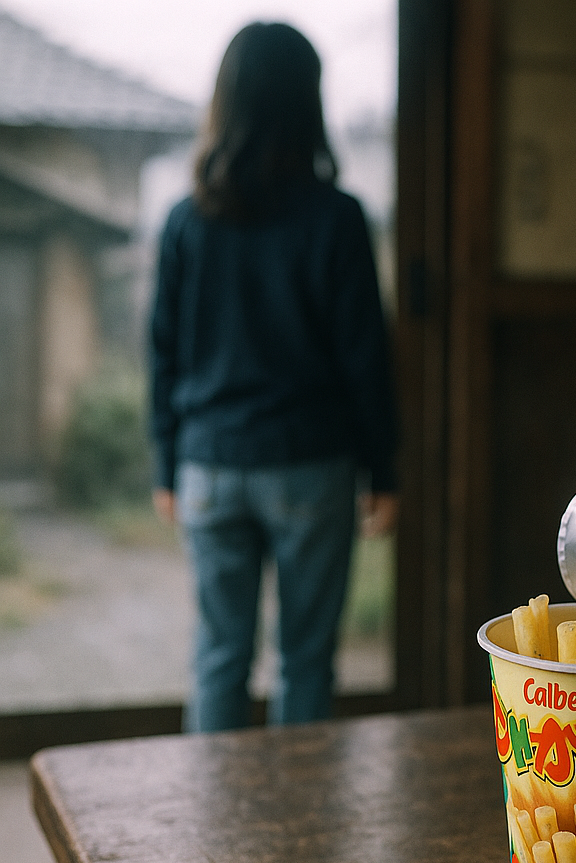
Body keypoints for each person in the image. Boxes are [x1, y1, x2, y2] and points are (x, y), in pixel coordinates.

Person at [149, 21, 399, 732]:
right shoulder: (338, 218)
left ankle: (218, 825)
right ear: (307, 101)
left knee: (220, 656)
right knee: (306, 661)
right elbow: (364, 357)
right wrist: (384, 470)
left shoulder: (185, 222)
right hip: (310, 467)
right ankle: (299, 827)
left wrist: (167, 464)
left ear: (224, 101)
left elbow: (162, 353)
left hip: (209, 464)